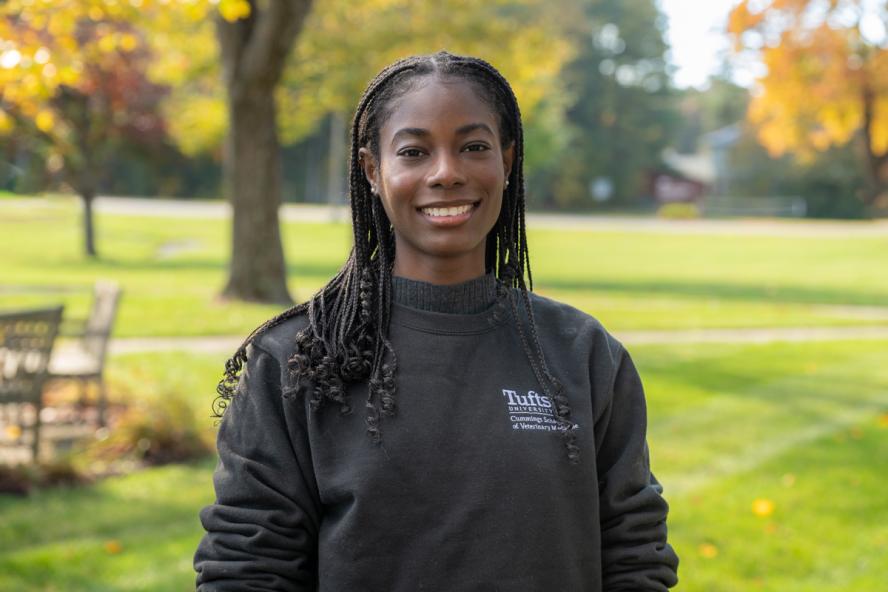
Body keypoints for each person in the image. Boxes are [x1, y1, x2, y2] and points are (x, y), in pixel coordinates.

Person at [194, 51, 679, 591]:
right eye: (414, 151)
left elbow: (635, 550)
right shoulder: (300, 358)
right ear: (373, 171)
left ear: (508, 161)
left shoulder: (583, 353)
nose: (446, 173)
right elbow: (247, 567)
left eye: (473, 147)